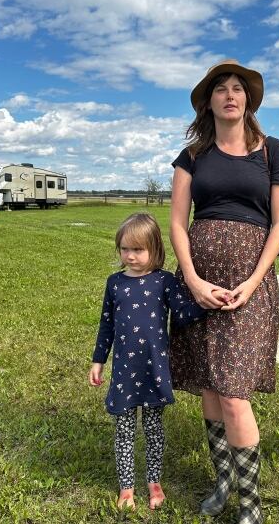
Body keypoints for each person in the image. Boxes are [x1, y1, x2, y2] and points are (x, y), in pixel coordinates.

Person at [169, 59, 279, 523]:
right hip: (200, 281)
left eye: (237, 89)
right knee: (208, 381)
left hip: (250, 283)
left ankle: (251, 506)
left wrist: (254, 279)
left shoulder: (272, 152)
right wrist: (192, 278)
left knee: (233, 391)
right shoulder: (193, 156)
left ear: (248, 100)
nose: (229, 95)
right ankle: (224, 480)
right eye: (220, 89)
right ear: (209, 102)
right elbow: (178, 223)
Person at [88, 212, 206, 510]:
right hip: (125, 372)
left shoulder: (164, 281)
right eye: (124, 248)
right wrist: (98, 360)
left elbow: (183, 314)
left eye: (137, 249)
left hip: (154, 370)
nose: (130, 255)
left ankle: (154, 481)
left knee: (154, 430)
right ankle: (126, 487)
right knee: (124, 430)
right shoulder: (114, 283)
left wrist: (210, 301)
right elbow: (107, 325)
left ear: (155, 249)